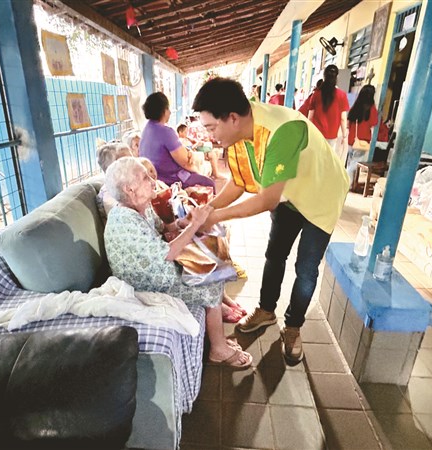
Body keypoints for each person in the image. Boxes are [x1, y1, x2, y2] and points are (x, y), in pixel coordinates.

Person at [192, 78, 348, 364]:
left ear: (232, 118)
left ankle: (293, 326)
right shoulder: (239, 134)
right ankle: (266, 310)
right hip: (289, 194)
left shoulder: (281, 130)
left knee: (305, 268)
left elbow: (267, 200)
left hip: (321, 194)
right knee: (275, 254)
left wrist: (215, 217)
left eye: (212, 128)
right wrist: (206, 210)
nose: (210, 136)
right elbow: (239, 183)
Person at [103, 157, 252, 369]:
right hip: (143, 282)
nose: (152, 181)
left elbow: (165, 229)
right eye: (145, 178)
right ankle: (218, 349)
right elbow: (169, 253)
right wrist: (194, 225)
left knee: (212, 259)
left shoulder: (140, 207)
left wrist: (188, 220)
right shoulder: (124, 221)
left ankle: (218, 326)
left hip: (157, 268)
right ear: (130, 190)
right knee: (210, 283)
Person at [139, 92, 215, 191]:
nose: (170, 112)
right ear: (163, 111)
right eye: (168, 109)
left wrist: (188, 152)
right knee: (209, 183)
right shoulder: (166, 132)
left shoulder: (146, 129)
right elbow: (185, 163)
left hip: (155, 177)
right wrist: (198, 171)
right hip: (171, 179)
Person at [303, 65, 350, 162]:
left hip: (316, 133)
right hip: (331, 135)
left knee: (315, 158)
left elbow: (310, 117)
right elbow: (343, 118)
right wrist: (344, 135)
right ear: (336, 77)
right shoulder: (342, 95)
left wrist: (308, 132)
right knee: (326, 159)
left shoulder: (316, 94)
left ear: (324, 76)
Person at [345, 85, 379, 182]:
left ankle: (348, 182)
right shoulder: (371, 109)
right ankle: (347, 182)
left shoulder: (355, 106)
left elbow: (348, 124)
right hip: (362, 141)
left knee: (350, 162)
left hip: (351, 140)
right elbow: (374, 122)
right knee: (354, 164)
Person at [96, 140, 135, 219]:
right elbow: (123, 219)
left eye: (133, 159)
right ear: (111, 169)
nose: (135, 164)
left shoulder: (131, 183)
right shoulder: (109, 193)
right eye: (126, 162)